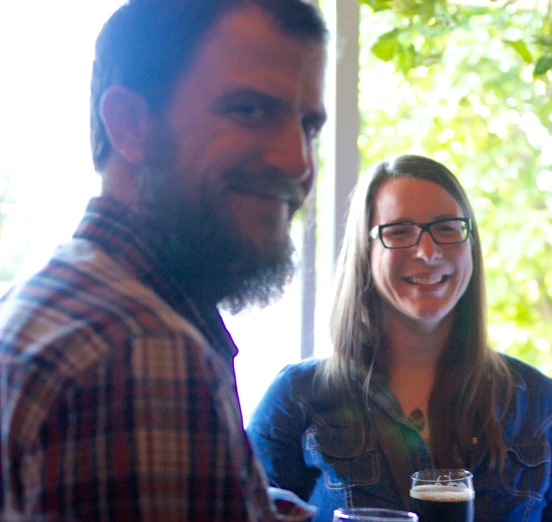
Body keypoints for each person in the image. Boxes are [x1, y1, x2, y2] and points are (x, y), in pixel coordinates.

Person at [0, 0, 327, 520]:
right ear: (130, 124)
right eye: (249, 110)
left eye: (309, 126)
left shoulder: (43, 301)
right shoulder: (141, 350)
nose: (298, 161)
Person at [247, 155, 552, 521]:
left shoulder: (537, 401)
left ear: (471, 244)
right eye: (399, 231)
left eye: (447, 228)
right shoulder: (295, 398)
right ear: (364, 252)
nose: (428, 252)